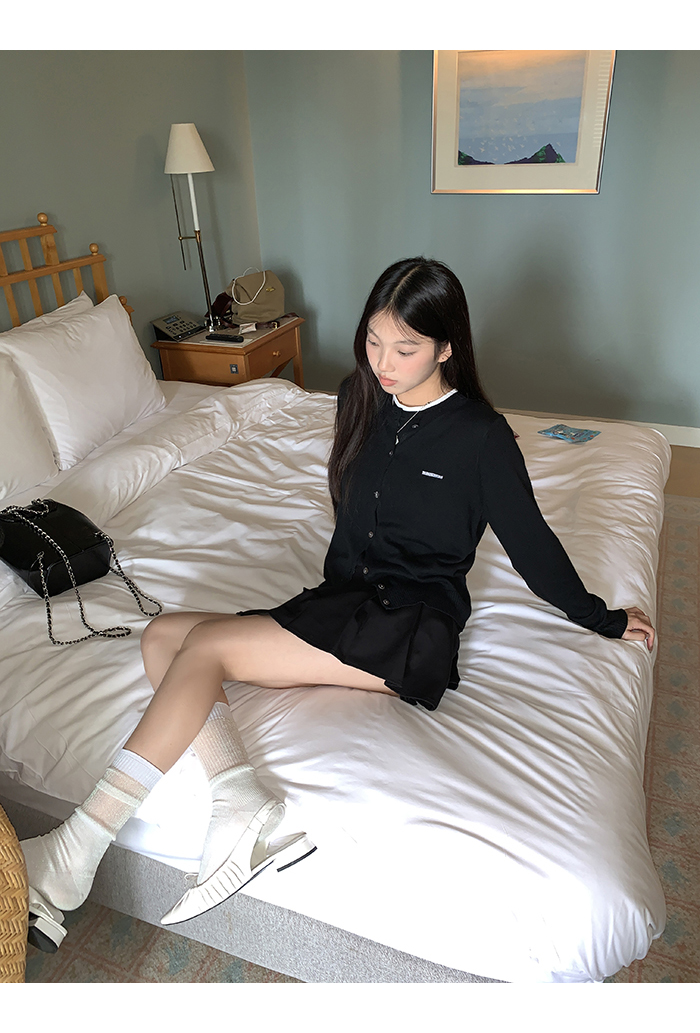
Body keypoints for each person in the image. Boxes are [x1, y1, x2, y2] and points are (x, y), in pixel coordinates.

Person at [21, 257, 655, 951]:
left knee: (204, 647)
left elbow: (533, 546)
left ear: (446, 348)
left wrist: (604, 618)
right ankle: (239, 798)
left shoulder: (481, 436)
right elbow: (353, 524)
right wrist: (316, 606)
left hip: (411, 627)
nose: (383, 363)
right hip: (346, 602)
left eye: (405, 349)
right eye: (373, 342)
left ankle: (75, 852)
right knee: (161, 635)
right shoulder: (362, 398)